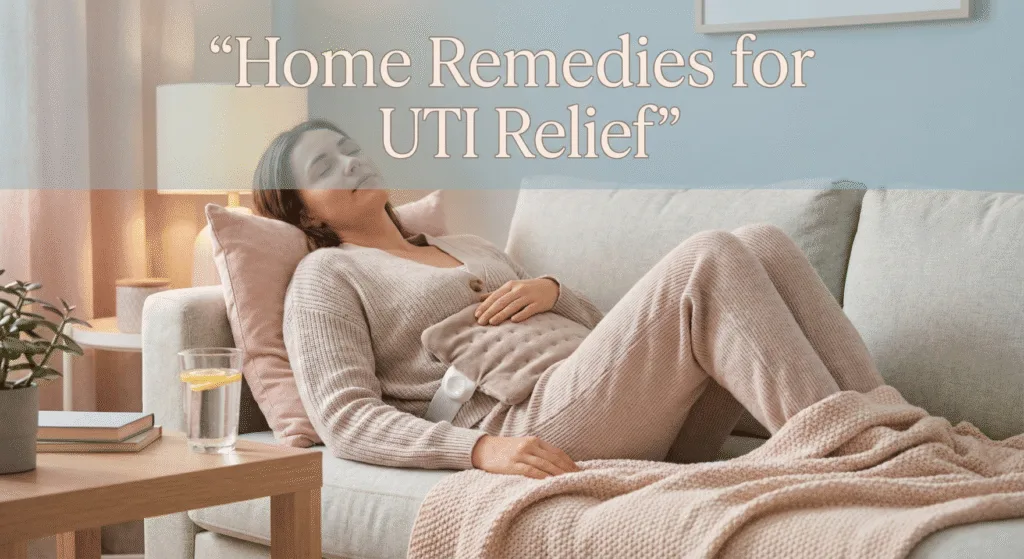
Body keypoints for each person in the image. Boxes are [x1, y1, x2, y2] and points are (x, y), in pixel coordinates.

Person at [252, 118, 886, 480]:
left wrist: (554, 292)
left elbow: (615, 339)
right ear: (300, 209)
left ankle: (894, 431)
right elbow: (343, 417)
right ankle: (859, 456)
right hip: (533, 422)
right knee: (710, 256)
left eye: (349, 151)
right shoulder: (327, 275)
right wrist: (478, 449)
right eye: (322, 168)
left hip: (611, 408)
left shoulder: (473, 246)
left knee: (764, 243)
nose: (351, 164)